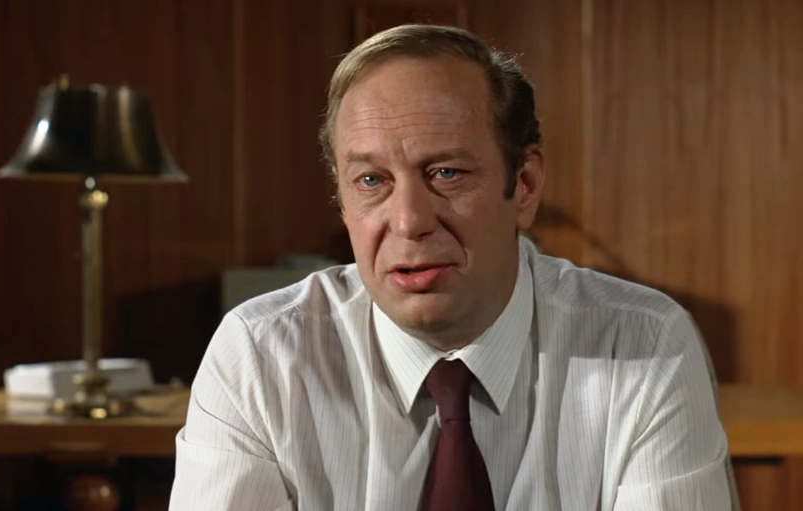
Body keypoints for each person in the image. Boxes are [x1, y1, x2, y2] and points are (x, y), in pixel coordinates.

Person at [170, 24, 733, 511]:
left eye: (447, 173)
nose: (409, 221)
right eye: (371, 180)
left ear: (525, 186)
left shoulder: (643, 343)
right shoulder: (261, 356)